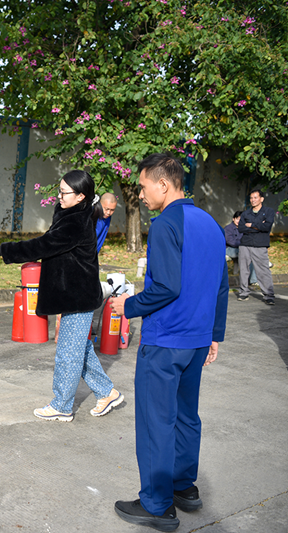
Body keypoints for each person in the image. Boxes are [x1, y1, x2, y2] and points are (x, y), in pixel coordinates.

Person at [109, 153, 228, 532]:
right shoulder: (211, 224)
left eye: (143, 186)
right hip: (196, 340)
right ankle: (183, 487)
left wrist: (128, 305)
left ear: (163, 184)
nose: (140, 194)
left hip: (166, 341)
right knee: (186, 416)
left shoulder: (164, 225)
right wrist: (215, 335)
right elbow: (221, 287)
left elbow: (165, 287)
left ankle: (157, 504)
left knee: (156, 421)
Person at [0, 170, 123, 422]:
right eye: (59, 190)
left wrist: (3, 250)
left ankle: (62, 405)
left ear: (81, 196)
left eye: (64, 192)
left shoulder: (76, 222)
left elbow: (41, 246)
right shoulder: (71, 214)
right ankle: (107, 392)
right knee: (78, 349)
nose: (59, 196)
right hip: (71, 294)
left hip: (78, 297)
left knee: (69, 354)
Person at [237, 189, 275, 305]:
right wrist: (258, 227)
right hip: (245, 244)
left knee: (263, 270)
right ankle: (243, 292)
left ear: (261, 199)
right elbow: (241, 228)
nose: (253, 200)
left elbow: (267, 227)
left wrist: (251, 225)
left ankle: (269, 295)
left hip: (260, 244)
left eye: (255, 197)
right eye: (251, 198)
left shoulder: (268, 211)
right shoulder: (245, 213)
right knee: (244, 270)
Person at [224, 211, 256, 282]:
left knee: (252, 256)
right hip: (230, 249)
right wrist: (243, 243)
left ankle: (253, 280)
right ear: (233, 219)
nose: (239, 221)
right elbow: (230, 242)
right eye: (237, 219)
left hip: (240, 248)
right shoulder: (228, 228)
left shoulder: (244, 228)